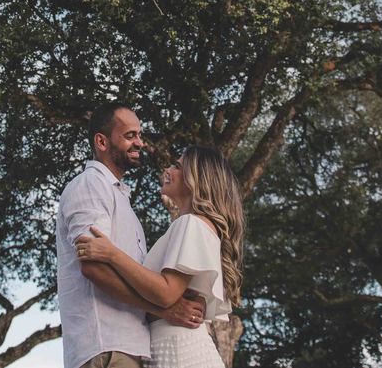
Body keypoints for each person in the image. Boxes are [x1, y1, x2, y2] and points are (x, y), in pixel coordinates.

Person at [56, 103, 208, 368]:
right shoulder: (91, 185)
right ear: (102, 142)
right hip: (106, 345)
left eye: (139, 134)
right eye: (129, 135)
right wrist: (165, 309)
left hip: (127, 347)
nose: (140, 142)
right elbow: (94, 268)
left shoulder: (120, 198)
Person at [77, 146, 245, 368]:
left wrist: (112, 254)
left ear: (196, 179)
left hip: (179, 350)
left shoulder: (191, 223)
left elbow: (166, 293)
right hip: (174, 345)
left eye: (177, 166)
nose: (167, 170)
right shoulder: (192, 225)